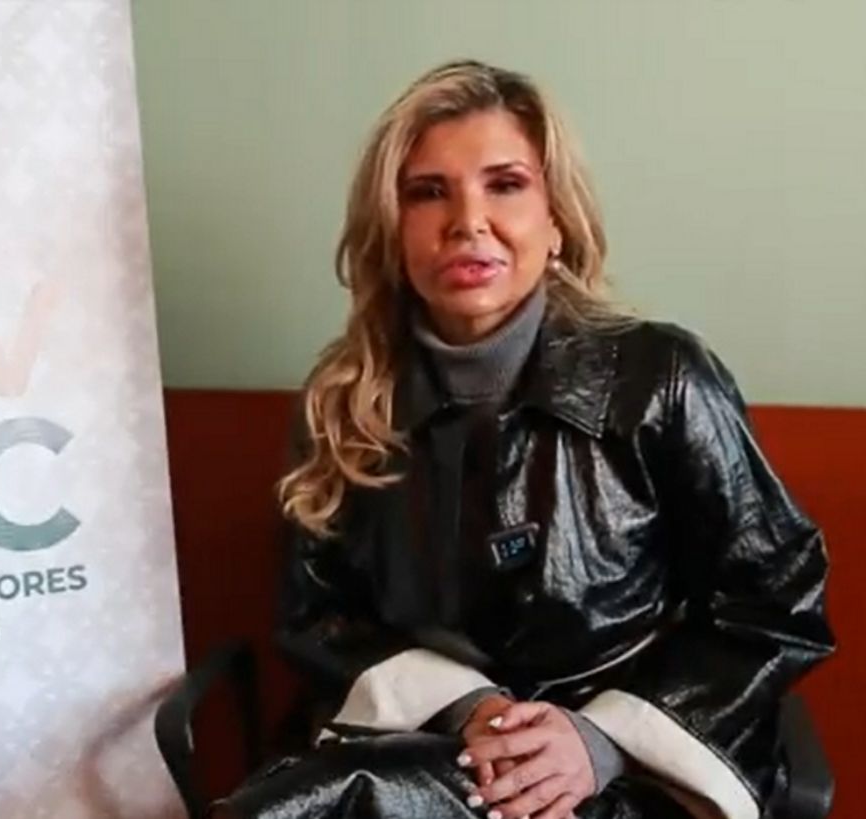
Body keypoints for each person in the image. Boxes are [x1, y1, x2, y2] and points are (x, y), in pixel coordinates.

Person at [216, 61, 834, 819]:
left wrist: (596, 740)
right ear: (392, 228)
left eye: (505, 184)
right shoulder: (345, 403)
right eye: (428, 192)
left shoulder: (661, 377)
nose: (467, 221)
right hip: (427, 747)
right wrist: (469, 707)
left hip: (630, 773)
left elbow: (775, 599)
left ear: (557, 220)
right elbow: (317, 617)